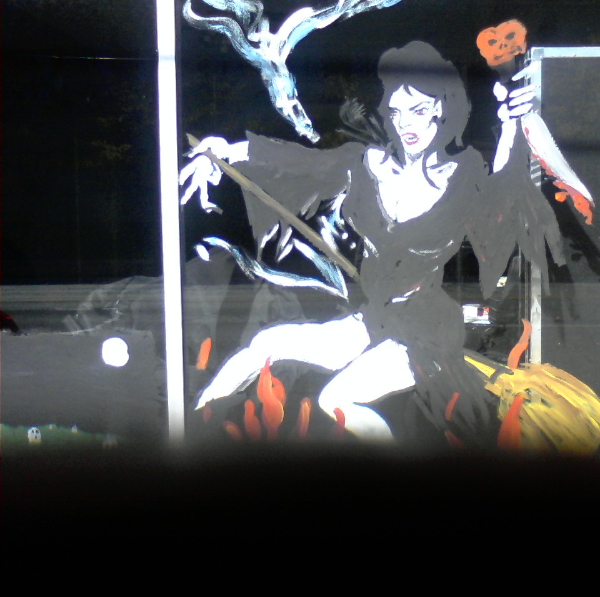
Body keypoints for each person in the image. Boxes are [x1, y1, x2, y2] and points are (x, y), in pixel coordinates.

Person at [180, 41, 565, 446]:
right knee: (265, 344)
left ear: (442, 109)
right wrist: (228, 151)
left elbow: (500, 202)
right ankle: (190, 431)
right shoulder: (367, 163)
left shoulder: (461, 174)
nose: (406, 124)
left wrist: (510, 127)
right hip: (375, 318)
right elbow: (300, 162)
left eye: (419, 110)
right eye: (397, 112)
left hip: (424, 330)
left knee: (336, 399)